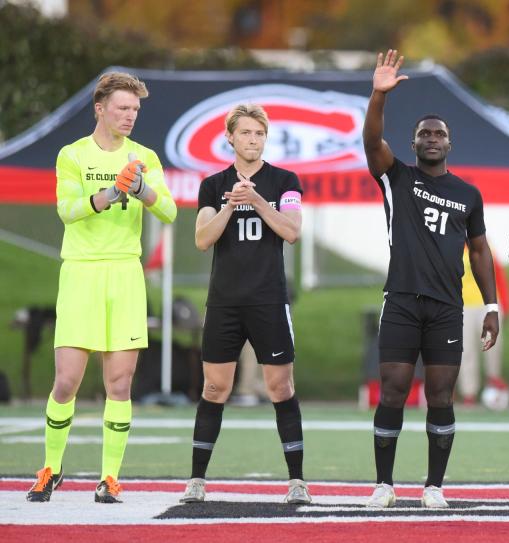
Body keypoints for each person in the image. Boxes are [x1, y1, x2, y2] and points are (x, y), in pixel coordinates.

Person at [27, 72, 178, 503]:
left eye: (135, 110)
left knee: (120, 384)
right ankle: (51, 469)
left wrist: (143, 189)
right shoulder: (72, 155)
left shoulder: (144, 156)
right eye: (122, 108)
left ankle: (109, 477)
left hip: (125, 274)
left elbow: (168, 211)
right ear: (100, 109)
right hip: (81, 272)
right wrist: (111, 192)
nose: (130, 116)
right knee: (66, 381)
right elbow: (67, 211)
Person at [362, 50, 500, 509]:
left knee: (441, 395)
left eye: (440, 134)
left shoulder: (467, 193)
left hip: (446, 308)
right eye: (425, 133)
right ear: (415, 142)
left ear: (449, 144)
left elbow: (479, 251)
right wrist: (378, 96)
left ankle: (434, 486)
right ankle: (384, 484)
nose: (433, 139)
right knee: (395, 391)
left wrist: (492, 306)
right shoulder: (396, 177)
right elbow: (371, 140)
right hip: (401, 300)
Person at [181, 104, 310, 505]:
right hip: (224, 302)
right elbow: (203, 239)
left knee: (280, 386)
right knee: (215, 386)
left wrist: (256, 201)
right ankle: (197, 480)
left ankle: (296, 481)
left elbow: (291, 231)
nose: (253, 140)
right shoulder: (212, 184)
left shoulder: (285, 180)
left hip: (269, 299)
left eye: (259, 133)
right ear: (230, 138)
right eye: (246, 133)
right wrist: (230, 205)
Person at [459, 244, 509, 407]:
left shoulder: (484, 245)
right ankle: (469, 393)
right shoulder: (452, 246)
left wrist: (505, 304)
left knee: (492, 344)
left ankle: (493, 378)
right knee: (465, 351)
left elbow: (499, 277)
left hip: (487, 304)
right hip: (463, 306)